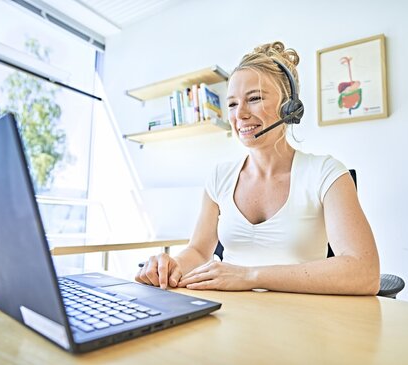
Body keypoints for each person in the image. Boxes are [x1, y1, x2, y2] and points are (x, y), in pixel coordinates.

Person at [135, 41, 380, 295]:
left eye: (253, 99)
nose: (239, 114)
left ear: (290, 107)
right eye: (231, 103)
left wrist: (251, 276)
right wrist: (171, 264)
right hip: (228, 319)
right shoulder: (221, 176)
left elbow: (364, 272)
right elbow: (198, 251)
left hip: (302, 322)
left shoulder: (326, 173)